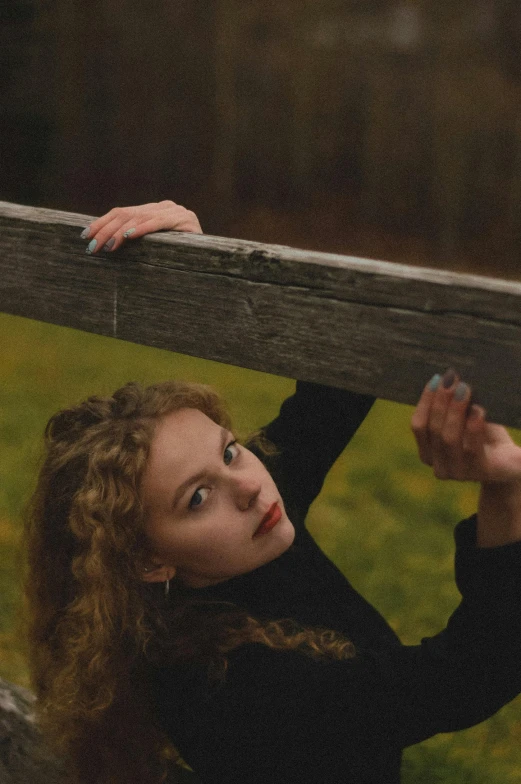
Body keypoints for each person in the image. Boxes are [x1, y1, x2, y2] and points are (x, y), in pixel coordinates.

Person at [24, 202, 521, 784]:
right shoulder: (245, 688)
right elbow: (462, 677)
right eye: (197, 498)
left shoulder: (226, 530)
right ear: (145, 558)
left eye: (229, 449)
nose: (250, 487)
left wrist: (207, 268)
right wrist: (505, 487)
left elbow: (332, 386)